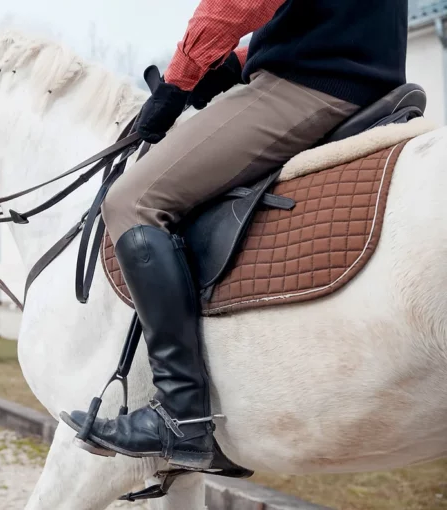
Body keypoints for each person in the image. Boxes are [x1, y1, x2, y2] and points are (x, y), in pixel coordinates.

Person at [62, 0, 407, 469]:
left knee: (132, 202)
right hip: (359, 75)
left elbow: (238, 6)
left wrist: (177, 84)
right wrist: (231, 67)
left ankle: (179, 415)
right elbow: (325, 23)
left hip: (312, 85)